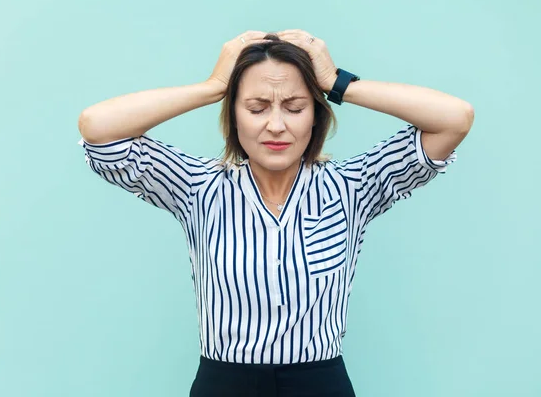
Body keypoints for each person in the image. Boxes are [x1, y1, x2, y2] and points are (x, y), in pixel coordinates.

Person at [77, 30, 474, 397]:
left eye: (295, 107)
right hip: (223, 384)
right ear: (234, 115)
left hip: (321, 384)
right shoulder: (199, 187)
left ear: (315, 116)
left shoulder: (352, 186)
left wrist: (337, 81)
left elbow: (454, 119)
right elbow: (98, 128)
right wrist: (213, 87)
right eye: (257, 107)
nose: (276, 125)